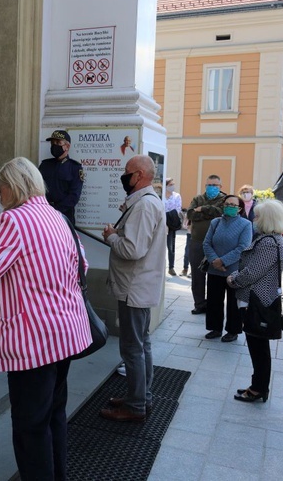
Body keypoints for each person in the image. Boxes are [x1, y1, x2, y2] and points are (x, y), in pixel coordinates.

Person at [0, 157, 92, 480]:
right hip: (68, 334)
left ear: (13, 187)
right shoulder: (58, 217)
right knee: (54, 416)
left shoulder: (14, 221)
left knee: (30, 427)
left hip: (36, 343)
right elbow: (81, 266)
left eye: (0, 186)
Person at [98, 155, 165, 423]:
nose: (123, 176)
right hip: (137, 287)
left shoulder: (145, 206)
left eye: (127, 172)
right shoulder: (144, 203)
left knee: (132, 348)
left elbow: (132, 249)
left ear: (138, 175)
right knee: (141, 345)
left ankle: (136, 406)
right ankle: (140, 398)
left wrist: (112, 236)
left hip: (134, 288)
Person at [227, 199, 283, 402]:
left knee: (259, 348)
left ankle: (259, 388)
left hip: (258, 300)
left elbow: (252, 272)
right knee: (257, 347)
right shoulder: (272, 239)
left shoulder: (269, 243)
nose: (255, 218)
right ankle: (257, 385)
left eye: (259, 215)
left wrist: (233, 279)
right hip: (260, 298)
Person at [202, 194, 252, 342]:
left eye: (233, 205)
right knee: (213, 301)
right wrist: (214, 261)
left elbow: (243, 247)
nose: (229, 207)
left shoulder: (245, 224)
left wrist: (223, 261)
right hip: (214, 269)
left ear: (239, 208)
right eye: (227, 204)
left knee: (233, 303)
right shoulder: (215, 222)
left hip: (234, 270)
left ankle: (233, 330)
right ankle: (215, 328)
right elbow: (206, 243)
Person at [186, 175, 226, 314]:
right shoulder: (198, 198)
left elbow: (221, 213)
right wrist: (209, 212)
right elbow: (191, 214)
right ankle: (199, 304)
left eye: (215, 185)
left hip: (216, 245)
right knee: (197, 276)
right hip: (197, 242)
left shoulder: (224, 200)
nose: (212, 188)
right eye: (209, 185)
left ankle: (213, 305)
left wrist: (202, 209)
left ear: (220, 187)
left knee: (214, 277)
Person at [38, 130, 84, 224]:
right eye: (53, 143)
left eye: (58, 143)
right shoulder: (45, 165)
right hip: (44, 216)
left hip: (64, 217)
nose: (55, 145)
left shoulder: (75, 168)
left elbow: (74, 196)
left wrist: (55, 211)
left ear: (67, 146)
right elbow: (37, 189)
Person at [164, 178, 183, 276]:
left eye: (173, 184)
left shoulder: (176, 196)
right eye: (170, 184)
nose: (172, 186)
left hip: (171, 224)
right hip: (161, 224)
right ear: (166, 185)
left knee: (171, 246)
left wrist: (168, 215)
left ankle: (171, 267)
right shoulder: (161, 196)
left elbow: (178, 209)